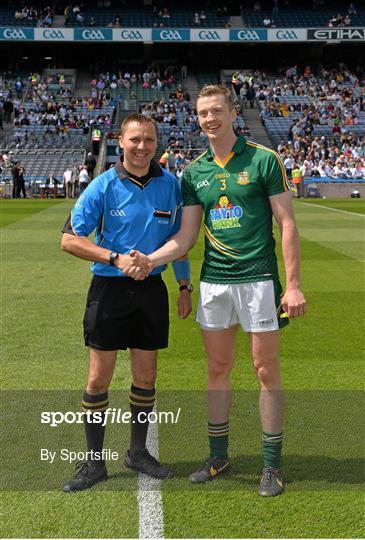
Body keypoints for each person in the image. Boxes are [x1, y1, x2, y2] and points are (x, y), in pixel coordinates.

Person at [128, 86, 306, 497]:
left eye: (216, 111)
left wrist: (293, 285)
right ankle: (218, 456)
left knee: (265, 370)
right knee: (218, 370)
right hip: (215, 282)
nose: (209, 119)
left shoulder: (263, 160)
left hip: (259, 280)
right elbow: (186, 236)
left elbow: (288, 225)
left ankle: (271, 465)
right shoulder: (194, 173)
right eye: (203, 113)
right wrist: (151, 261)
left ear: (233, 112)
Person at [60, 113, 192, 492]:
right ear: (121, 141)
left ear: (157, 144)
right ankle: (94, 463)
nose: (142, 146)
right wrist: (115, 258)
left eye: (149, 140)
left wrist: (184, 285)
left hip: (152, 291)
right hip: (109, 290)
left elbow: (179, 239)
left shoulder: (171, 186)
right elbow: (69, 239)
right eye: (135, 139)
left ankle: (137, 453)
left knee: (146, 376)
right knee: (98, 378)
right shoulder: (102, 186)